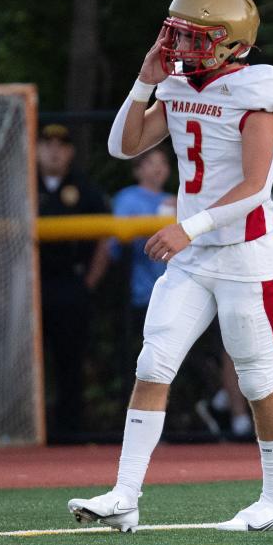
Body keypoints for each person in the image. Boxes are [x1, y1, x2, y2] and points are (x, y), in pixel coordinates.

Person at [68, 0, 273, 533]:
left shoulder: (259, 89)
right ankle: (125, 495)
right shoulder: (173, 83)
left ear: (230, 42)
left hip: (244, 256)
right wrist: (145, 80)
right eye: (176, 33)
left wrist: (187, 227)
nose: (179, 44)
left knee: (256, 379)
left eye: (192, 36)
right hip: (195, 259)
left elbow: (255, 186)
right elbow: (121, 148)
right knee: (153, 363)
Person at [36, 123, 111, 442]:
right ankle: (30, 432)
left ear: (70, 152)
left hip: (69, 282)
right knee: (29, 364)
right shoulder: (21, 185)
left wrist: (88, 283)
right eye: (46, 144)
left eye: (60, 145)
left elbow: (105, 237)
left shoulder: (84, 188)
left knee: (70, 359)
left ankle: (69, 432)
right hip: (29, 286)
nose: (53, 150)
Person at [111, 147, 176, 394]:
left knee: (169, 365)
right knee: (141, 364)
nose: (158, 167)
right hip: (139, 297)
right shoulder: (128, 198)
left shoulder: (177, 199)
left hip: (173, 294)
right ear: (137, 169)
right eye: (150, 162)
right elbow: (116, 246)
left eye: (162, 162)